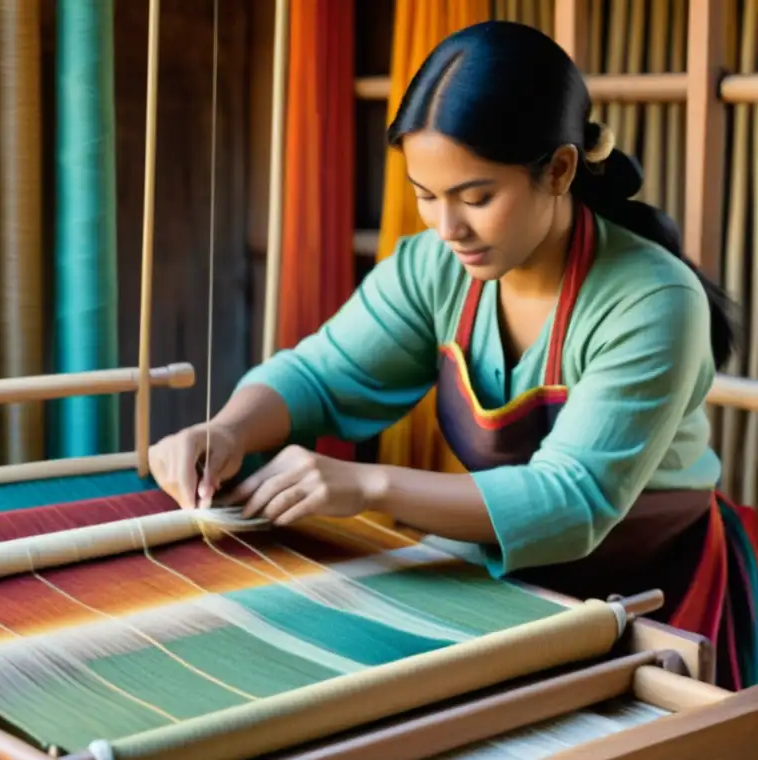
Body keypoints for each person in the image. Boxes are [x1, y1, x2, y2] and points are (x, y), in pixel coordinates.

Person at [147, 20, 757, 690]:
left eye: (476, 197)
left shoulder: (654, 300)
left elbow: (572, 500)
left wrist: (367, 486)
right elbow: (320, 377)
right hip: (508, 583)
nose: (447, 228)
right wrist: (227, 429)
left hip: (659, 590)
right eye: (426, 196)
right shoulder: (433, 268)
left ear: (558, 169)